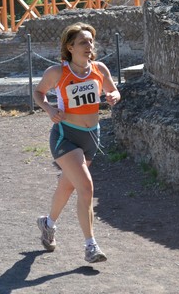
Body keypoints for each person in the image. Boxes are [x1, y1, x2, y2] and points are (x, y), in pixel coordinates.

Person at [33, 22, 121, 263]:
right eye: (83, 42)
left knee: (68, 186)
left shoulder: (99, 69)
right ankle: (90, 246)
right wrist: (49, 108)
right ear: (70, 47)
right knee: (86, 187)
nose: (89, 45)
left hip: (92, 136)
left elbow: (113, 91)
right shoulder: (57, 73)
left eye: (91, 41)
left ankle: (48, 223)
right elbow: (38, 93)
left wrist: (114, 95)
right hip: (66, 136)